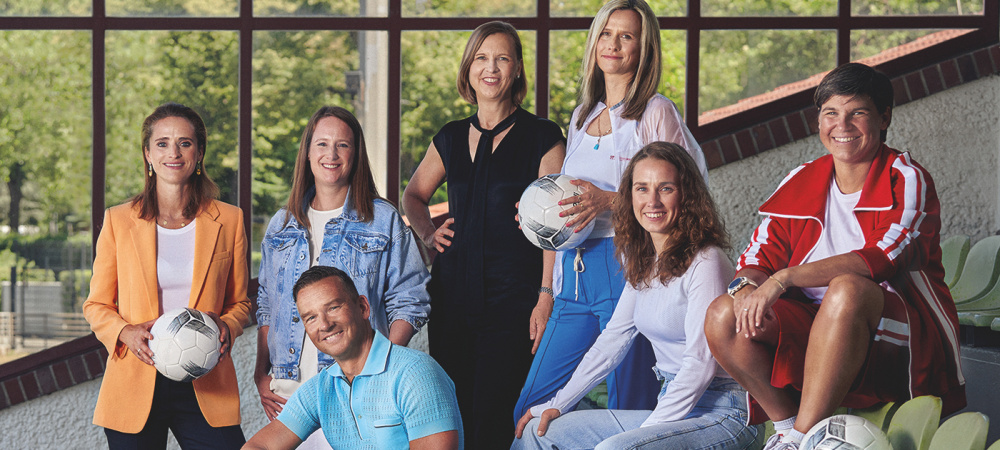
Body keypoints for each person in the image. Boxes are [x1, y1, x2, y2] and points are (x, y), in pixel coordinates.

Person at [704, 62, 966, 450]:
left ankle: (803, 438)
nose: (842, 125)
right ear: (819, 121)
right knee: (723, 314)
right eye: (831, 113)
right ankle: (787, 426)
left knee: (847, 289)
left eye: (857, 112)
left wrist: (784, 279)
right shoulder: (802, 178)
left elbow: (882, 258)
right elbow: (757, 256)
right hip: (816, 326)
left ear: (883, 117)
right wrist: (747, 292)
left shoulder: (906, 177)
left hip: (897, 332)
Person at [513, 0, 709, 423]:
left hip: (629, 267)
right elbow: (565, 203)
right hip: (573, 276)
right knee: (532, 407)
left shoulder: (656, 111)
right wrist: (538, 221)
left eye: (627, 36)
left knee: (627, 406)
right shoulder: (582, 115)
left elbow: (688, 193)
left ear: (644, 49)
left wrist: (608, 200)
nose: (614, 44)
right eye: (606, 33)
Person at [513, 142, 757, 449]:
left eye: (665, 188)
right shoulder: (644, 262)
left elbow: (700, 363)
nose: (652, 201)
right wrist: (557, 404)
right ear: (630, 196)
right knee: (537, 431)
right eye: (642, 189)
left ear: (687, 195)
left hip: (723, 413)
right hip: (672, 404)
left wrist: (644, 433)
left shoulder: (706, 262)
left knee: (616, 448)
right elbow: (612, 341)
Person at [401, 21, 566, 449]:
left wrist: (546, 294)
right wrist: (428, 232)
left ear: (516, 70)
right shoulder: (451, 137)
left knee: (495, 421)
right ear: (469, 68)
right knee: (451, 420)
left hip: (514, 304)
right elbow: (413, 195)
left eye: (502, 58)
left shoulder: (543, 137)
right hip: (452, 302)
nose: (490, 68)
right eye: (481, 58)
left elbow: (559, 228)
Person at [255, 106, 431, 449]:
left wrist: (377, 374)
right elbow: (267, 306)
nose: (331, 155)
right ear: (307, 153)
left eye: (343, 145)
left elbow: (411, 300)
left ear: (356, 154)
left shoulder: (383, 219)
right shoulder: (281, 224)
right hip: (289, 397)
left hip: (356, 395)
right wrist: (261, 373)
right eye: (321, 144)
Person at [82, 102, 251, 449]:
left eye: (185, 143)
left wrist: (227, 326)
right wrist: (124, 332)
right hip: (135, 382)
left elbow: (240, 302)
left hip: (207, 382)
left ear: (199, 152)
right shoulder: (118, 221)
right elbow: (96, 304)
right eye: (162, 143)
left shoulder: (230, 220)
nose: (173, 152)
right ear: (147, 153)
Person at [244, 265, 463, 450]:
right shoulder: (320, 388)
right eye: (311, 318)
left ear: (363, 307)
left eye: (334, 307)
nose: (324, 325)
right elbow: (258, 446)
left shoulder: (416, 374)